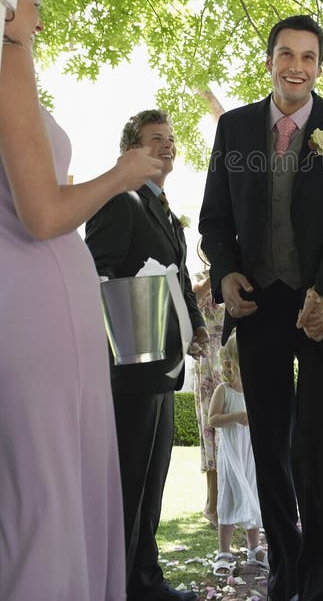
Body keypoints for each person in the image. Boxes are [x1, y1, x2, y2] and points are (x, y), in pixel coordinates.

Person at [0, 0, 163, 601]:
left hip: (27, 304)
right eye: (34, 5)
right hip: (38, 308)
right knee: (49, 489)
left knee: (32, 486)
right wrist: (120, 175)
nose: (39, 23)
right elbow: (43, 215)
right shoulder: (10, 62)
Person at [199, 14, 323, 601]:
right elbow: (214, 218)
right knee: (268, 442)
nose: (295, 66)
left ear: (320, 66)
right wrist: (225, 271)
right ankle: (284, 568)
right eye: (285, 54)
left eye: (307, 56)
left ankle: (319, 578)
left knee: (316, 445)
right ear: (270, 59)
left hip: (322, 307)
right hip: (259, 307)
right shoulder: (234, 127)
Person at [85, 109, 208, 601]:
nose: (168, 147)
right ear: (130, 150)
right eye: (156, 139)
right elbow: (96, 271)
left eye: (171, 140)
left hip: (164, 366)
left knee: (150, 482)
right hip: (130, 366)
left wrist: (196, 327)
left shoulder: (164, 208)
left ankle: (144, 579)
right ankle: (119, 584)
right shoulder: (120, 200)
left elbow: (178, 276)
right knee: (128, 484)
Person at [208, 331, 267, 576]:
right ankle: (224, 551)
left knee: (252, 494)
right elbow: (213, 419)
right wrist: (236, 417)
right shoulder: (224, 389)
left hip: (249, 452)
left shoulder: (255, 388)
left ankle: (254, 548)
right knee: (230, 497)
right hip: (232, 452)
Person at [192, 252, 224, 528]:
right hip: (206, 364)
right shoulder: (200, 282)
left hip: (230, 362)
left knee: (234, 431)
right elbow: (191, 298)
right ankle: (212, 501)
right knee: (209, 431)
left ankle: (236, 497)